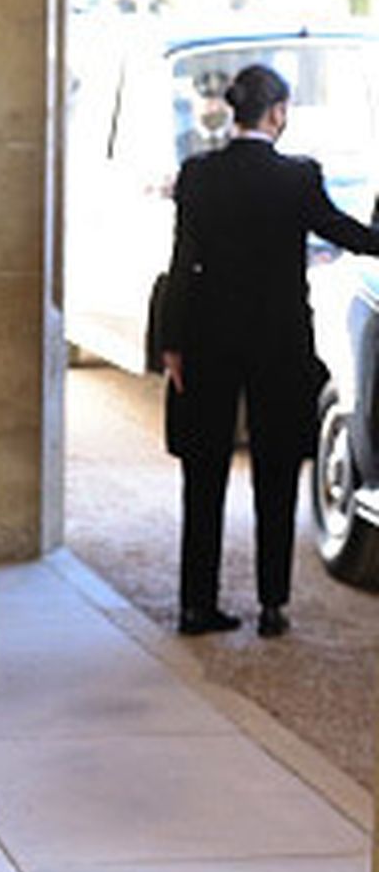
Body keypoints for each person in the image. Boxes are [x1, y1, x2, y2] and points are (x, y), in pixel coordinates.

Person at [158, 59, 379, 638]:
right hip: (278, 342)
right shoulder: (298, 177)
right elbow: (344, 232)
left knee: (203, 476)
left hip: (207, 339)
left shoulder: (198, 175)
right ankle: (273, 606)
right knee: (276, 473)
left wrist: (172, 343)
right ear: (278, 114)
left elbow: (182, 265)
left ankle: (195, 606)